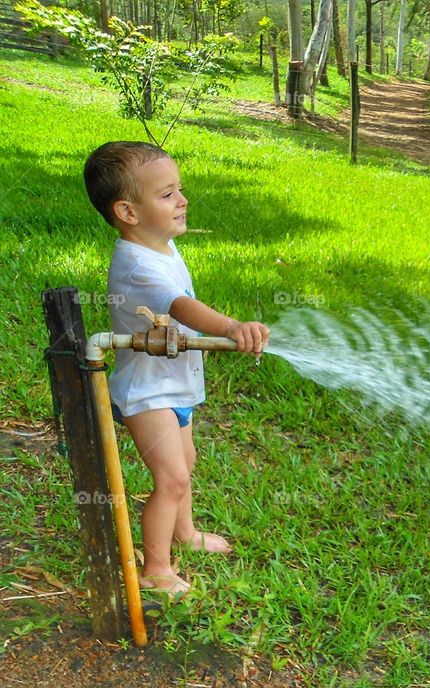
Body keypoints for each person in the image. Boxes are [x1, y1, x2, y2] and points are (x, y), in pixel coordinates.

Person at [83, 141, 270, 597]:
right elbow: (182, 307)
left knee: (185, 463)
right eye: (167, 194)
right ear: (128, 211)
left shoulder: (160, 246)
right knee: (172, 477)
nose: (182, 200)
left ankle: (184, 533)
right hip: (148, 393)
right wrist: (231, 328)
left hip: (173, 385)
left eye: (179, 189)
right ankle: (157, 568)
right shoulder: (134, 265)